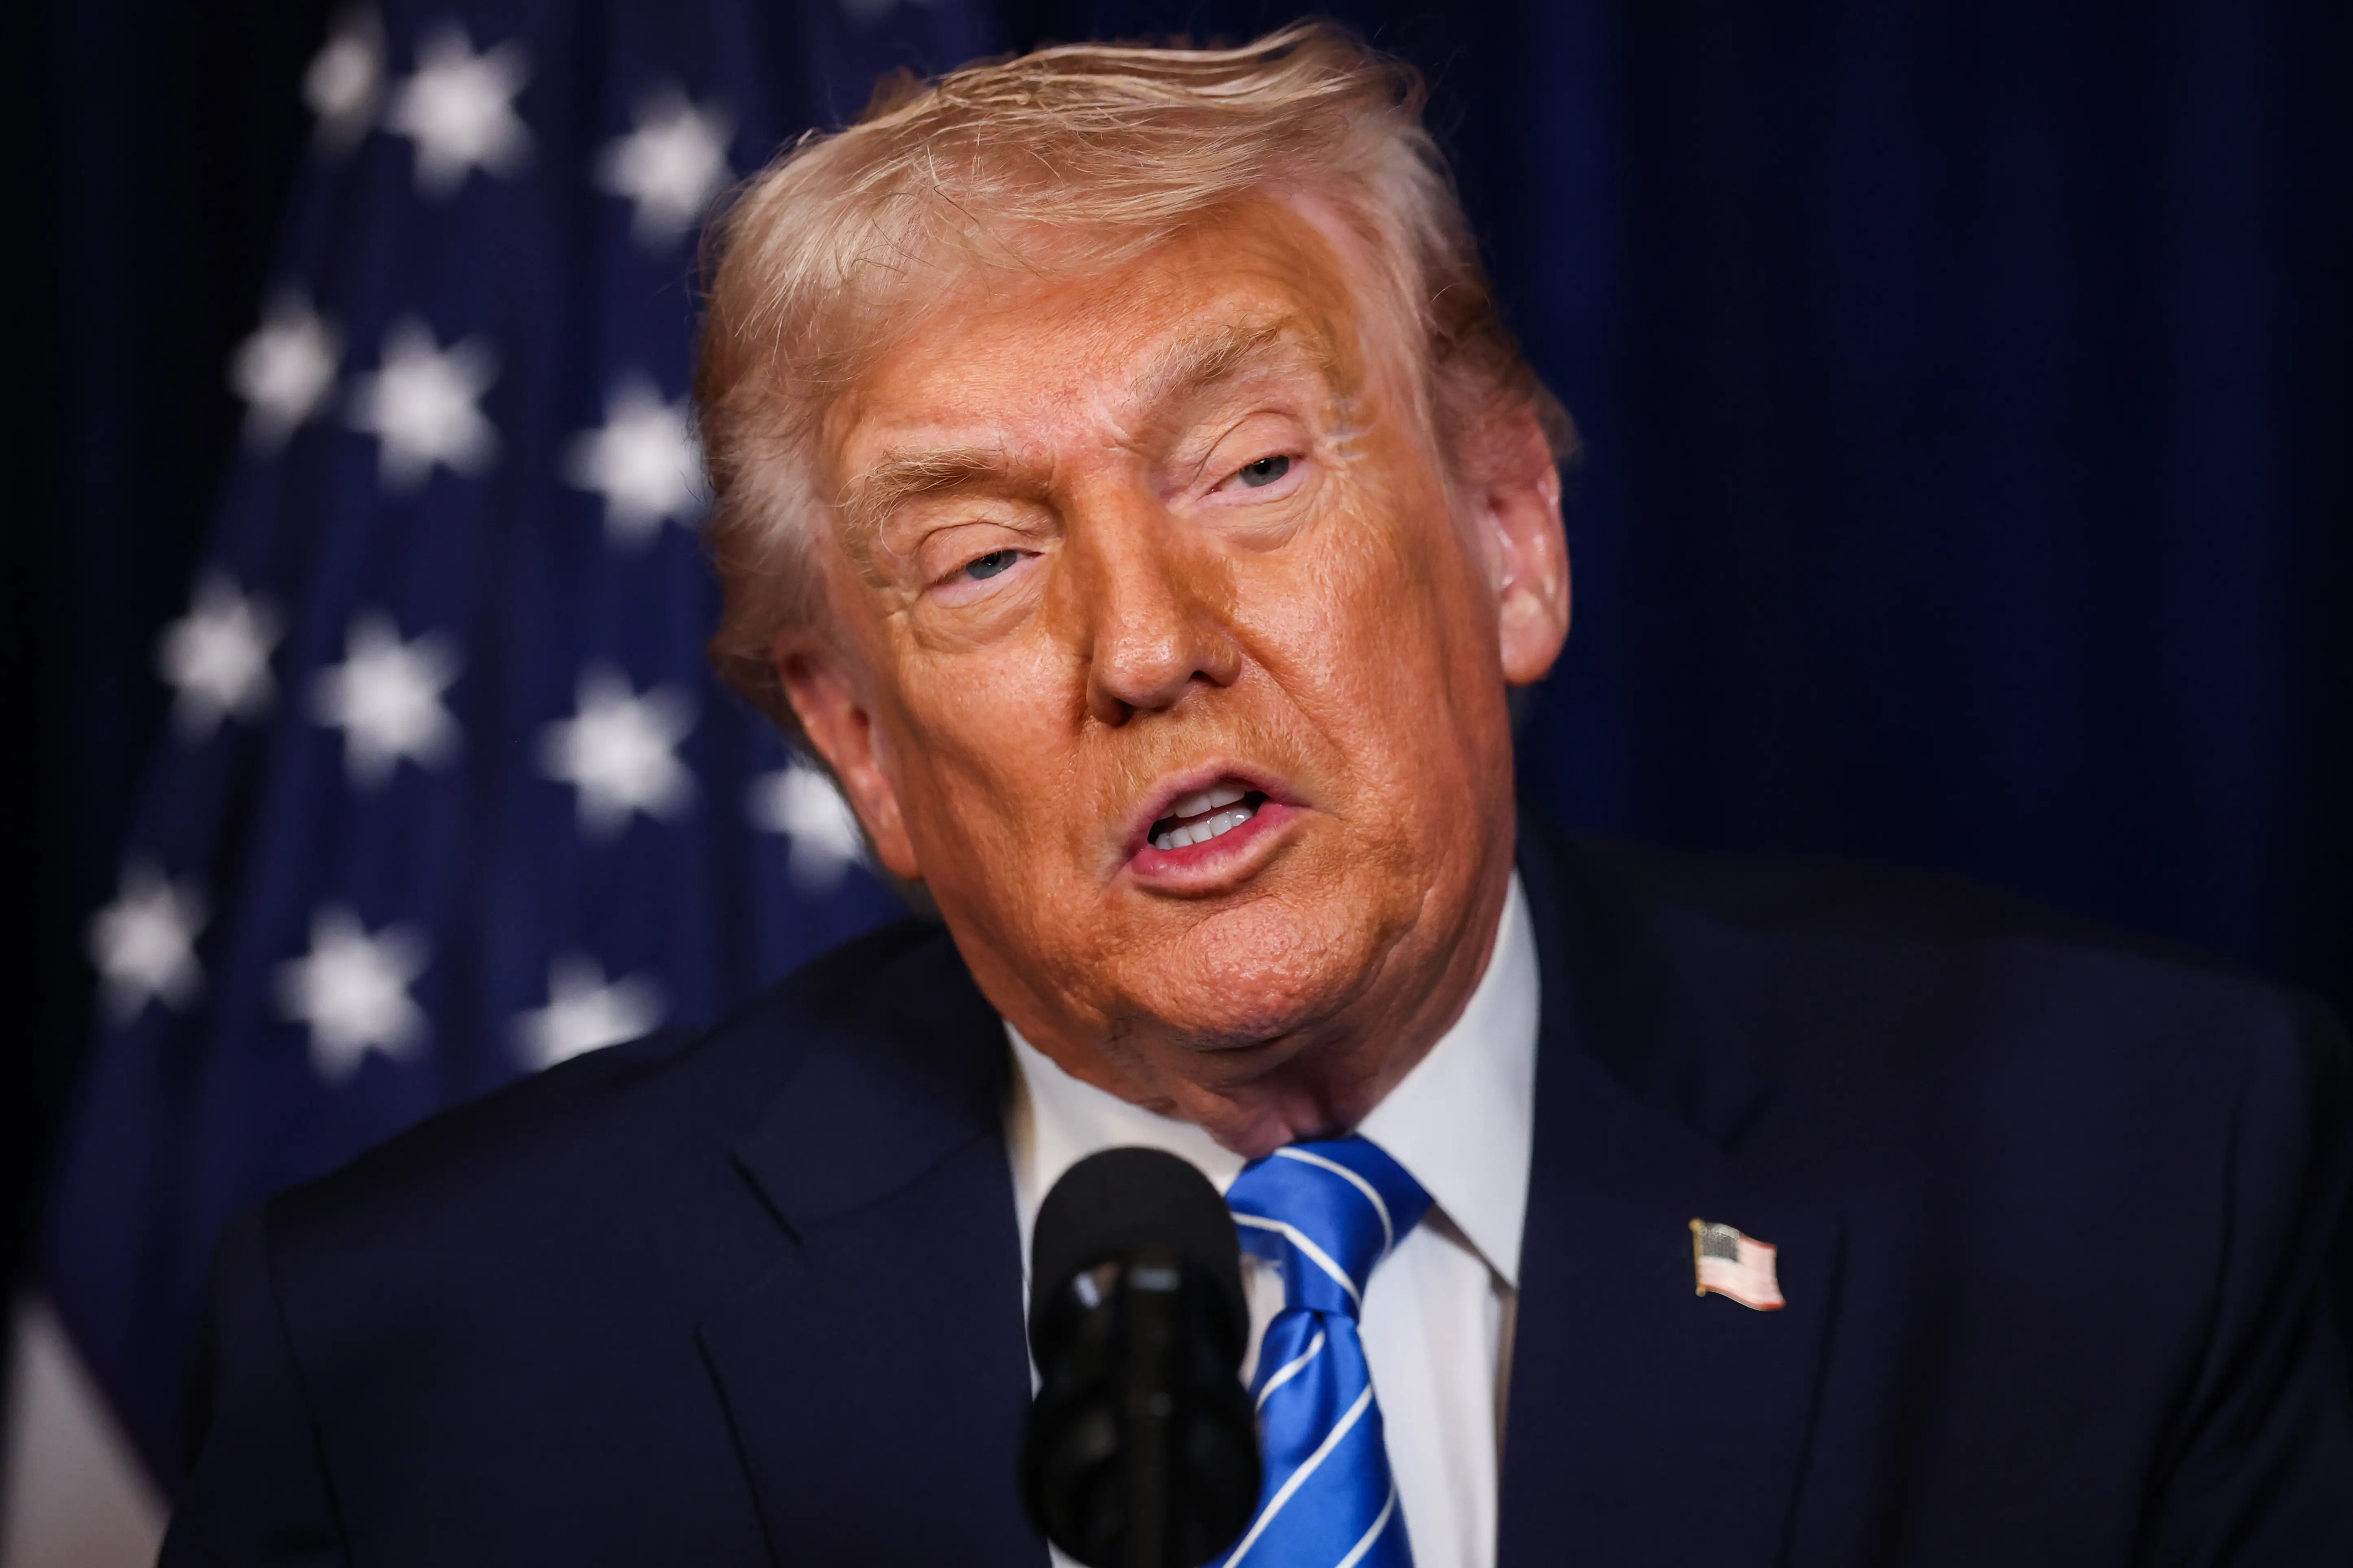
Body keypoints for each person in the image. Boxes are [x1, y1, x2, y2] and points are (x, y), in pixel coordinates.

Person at [161, 23, 2351, 1567]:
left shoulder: (2139, 1178)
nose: (1144, 643)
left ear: (1510, 529)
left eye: (1255, 468)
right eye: (986, 559)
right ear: (854, 740)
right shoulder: (431, 1365)